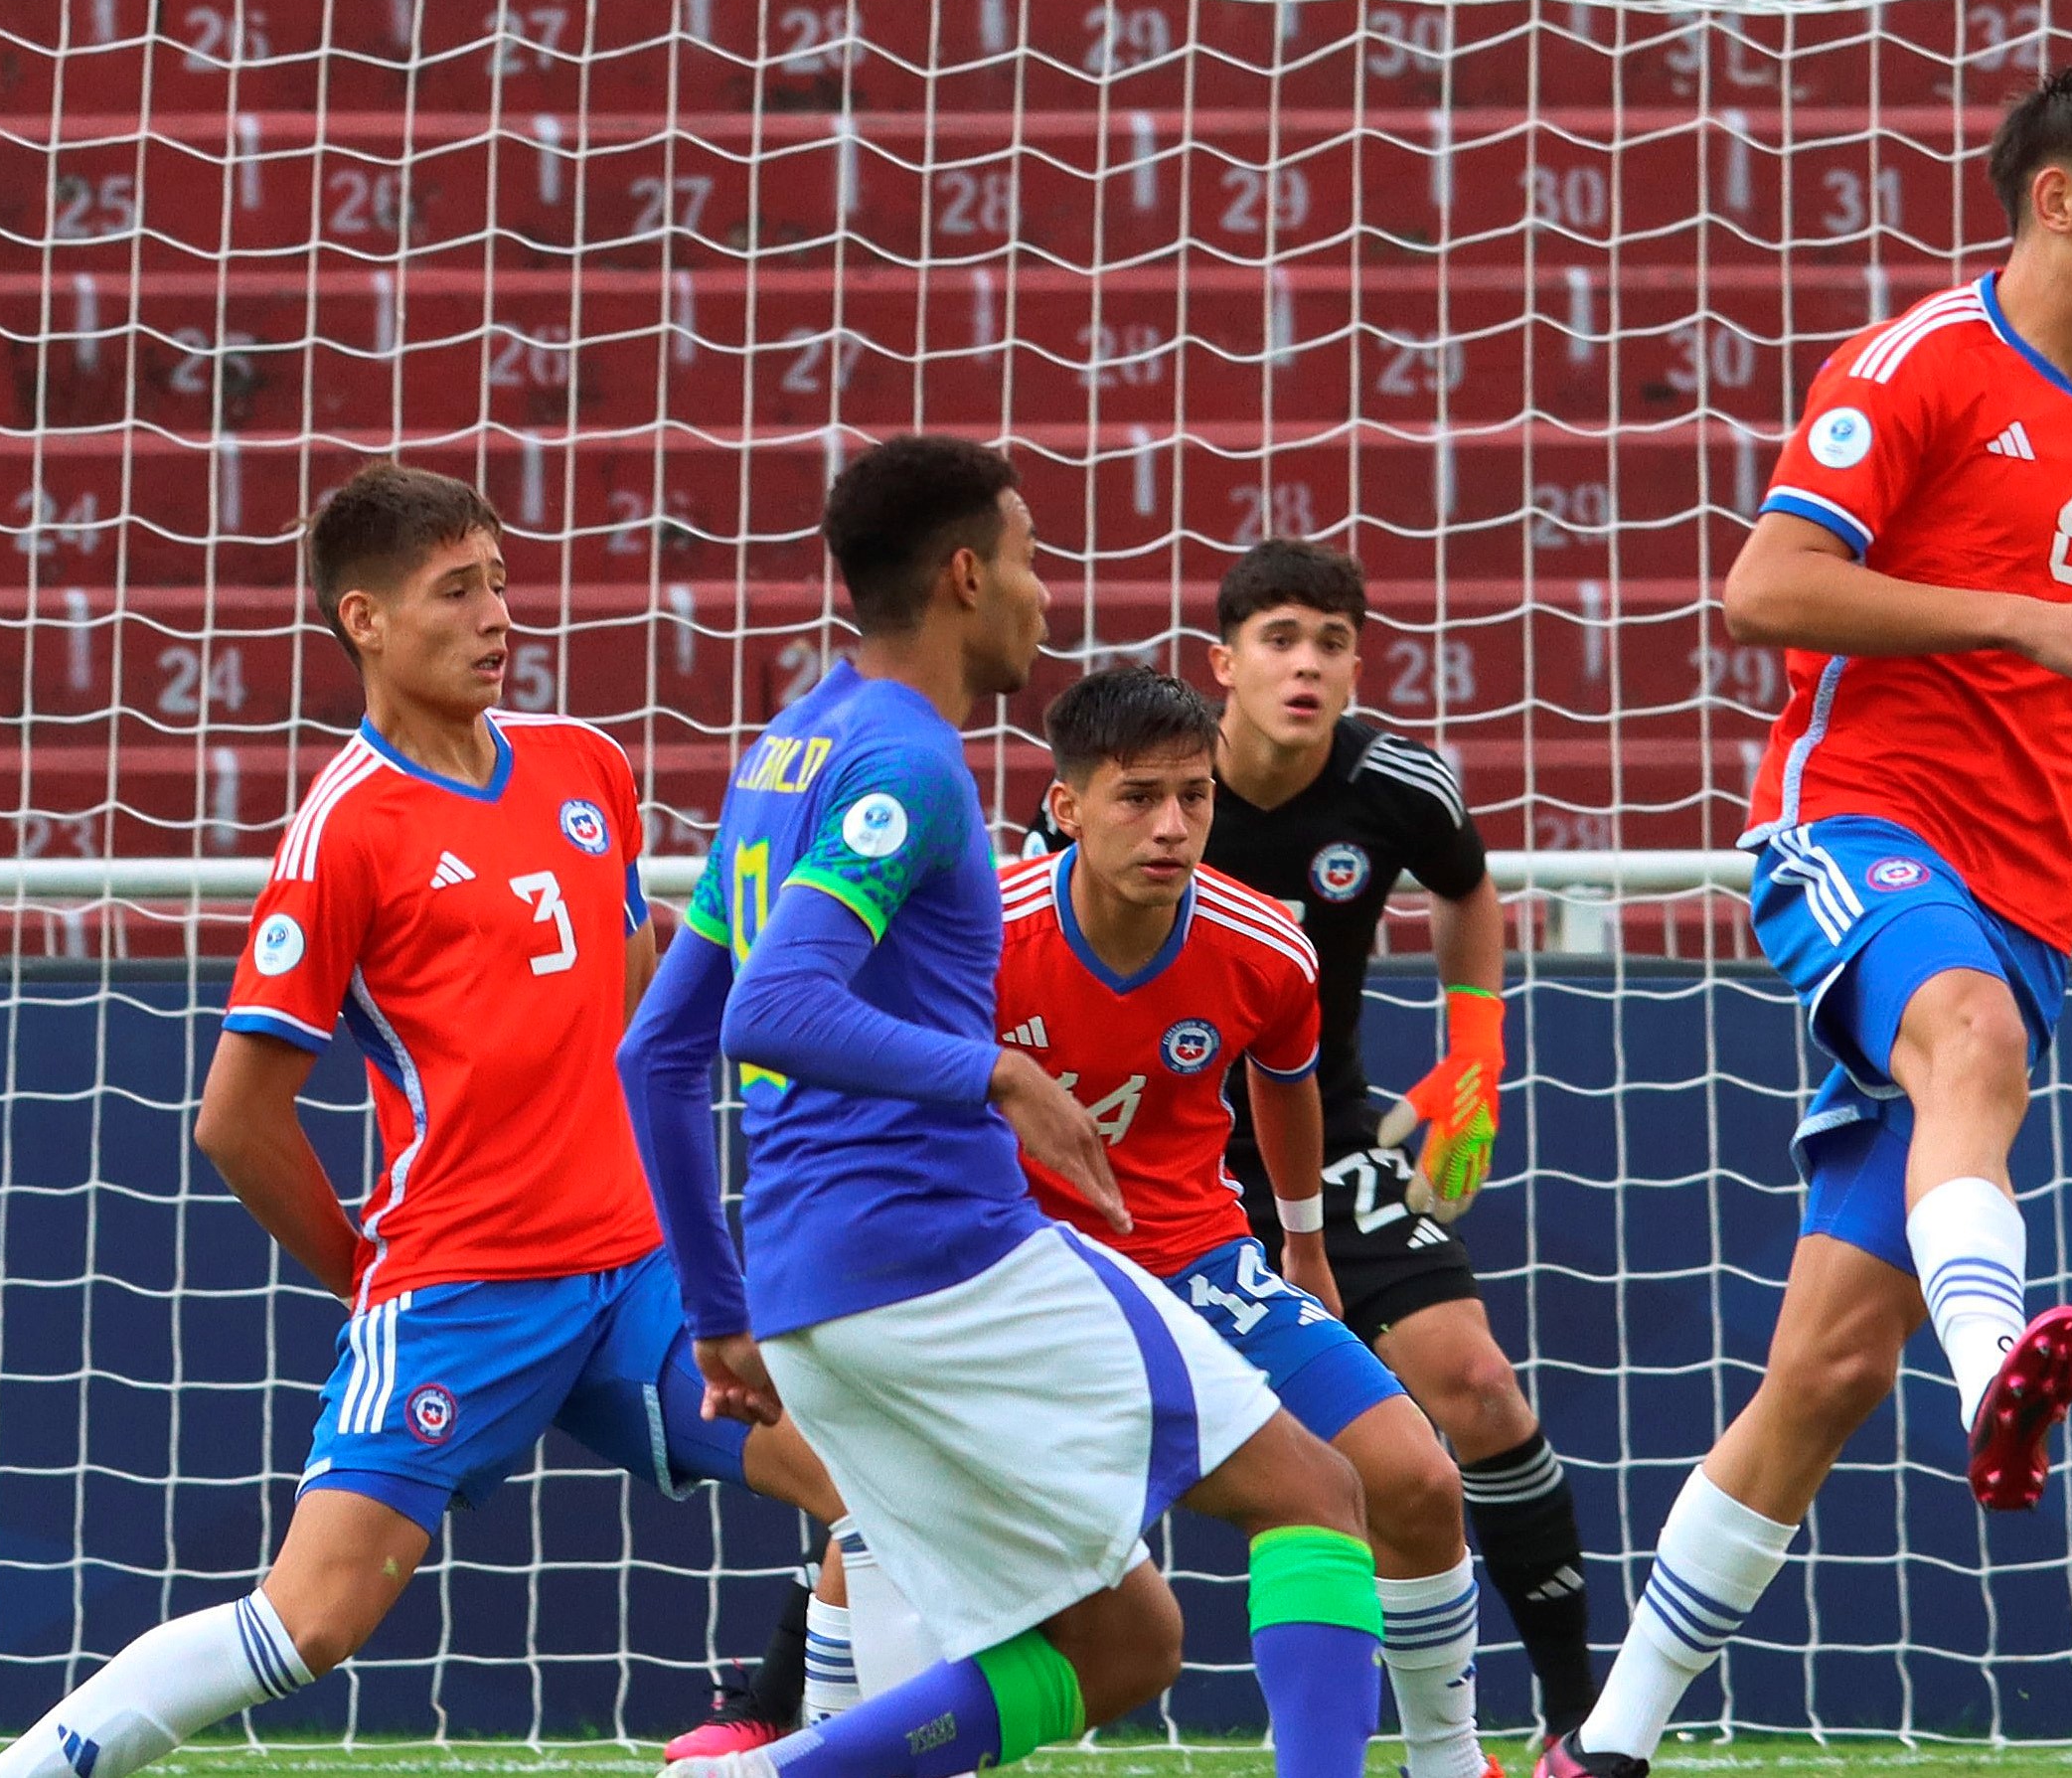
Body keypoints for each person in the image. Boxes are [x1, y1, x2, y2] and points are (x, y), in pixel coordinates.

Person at [1535, 68, 2072, 1778]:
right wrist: (2012, 615)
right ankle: (1998, 1361)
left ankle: (1601, 1749)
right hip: (1850, 830)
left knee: (1827, 1369)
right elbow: (1765, 587)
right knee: (1970, 1040)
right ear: (2055, 198)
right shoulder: (1916, 361)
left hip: (2023, 899)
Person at [0, 463, 844, 1778]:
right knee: (309, 1623)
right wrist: (360, 1273)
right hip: (462, 1293)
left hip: (637, 1279)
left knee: (872, 1483)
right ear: (365, 620)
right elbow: (235, 1120)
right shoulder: (345, 832)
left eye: (498, 581)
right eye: (455, 591)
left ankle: (794, 1741)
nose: (497, 615)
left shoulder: (585, 765)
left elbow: (629, 982)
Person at [618, 435, 1384, 1778]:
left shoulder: (785, 752)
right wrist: (999, 1074)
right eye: (1030, 559)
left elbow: (656, 1053)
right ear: (966, 577)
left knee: (1125, 1643)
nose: (1045, 592)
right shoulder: (907, 766)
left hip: (809, 1291)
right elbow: (769, 1011)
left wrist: (720, 1308)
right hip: (940, 1254)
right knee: (1319, 1494)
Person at [1083, 539, 1605, 1734]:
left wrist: (1475, 1052)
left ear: (1358, 668)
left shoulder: (1396, 784)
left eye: (1331, 643)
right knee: (958, 1415)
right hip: (1144, 1156)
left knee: (1478, 1389)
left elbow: (1465, 884)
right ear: (1223, 663)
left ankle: (1581, 1729)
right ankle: (782, 1690)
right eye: (1278, 639)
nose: (1306, 665)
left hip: (1320, 1134)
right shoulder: (1144, 790)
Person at [992, 664, 1495, 1778]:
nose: (1172, 827)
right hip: (1016, 1282)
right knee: (879, 1533)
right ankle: (804, 1725)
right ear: (1066, 807)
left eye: (1194, 796)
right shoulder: (981, 934)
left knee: (1414, 1480)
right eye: (1138, 798)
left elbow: (1284, 1082)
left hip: (1196, 1263)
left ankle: (1448, 1761)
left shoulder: (1265, 944)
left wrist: (1303, 1245)